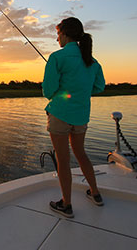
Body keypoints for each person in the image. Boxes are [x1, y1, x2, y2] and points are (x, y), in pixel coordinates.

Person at [42, 17, 105, 218]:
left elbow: (48, 91)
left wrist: (62, 90)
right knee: (81, 154)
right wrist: (79, 91)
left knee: (63, 160)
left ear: (65, 34)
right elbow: (99, 87)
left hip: (59, 115)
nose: (56, 38)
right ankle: (95, 193)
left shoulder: (56, 58)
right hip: (81, 118)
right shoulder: (92, 62)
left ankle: (66, 205)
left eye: (58, 34)